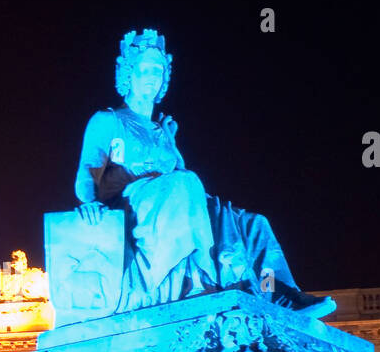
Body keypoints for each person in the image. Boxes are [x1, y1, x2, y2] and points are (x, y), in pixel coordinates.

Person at [75, 28, 334, 318]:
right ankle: (201, 279)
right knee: (185, 184)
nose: (151, 76)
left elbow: (186, 180)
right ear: (128, 75)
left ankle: (280, 293)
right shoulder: (108, 121)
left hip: (176, 201)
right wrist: (89, 204)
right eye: (144, 69)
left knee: (252, 223)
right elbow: (88, 170)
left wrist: (171, 143)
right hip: (133, 206)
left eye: (158, 71)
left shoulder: (163, 131)